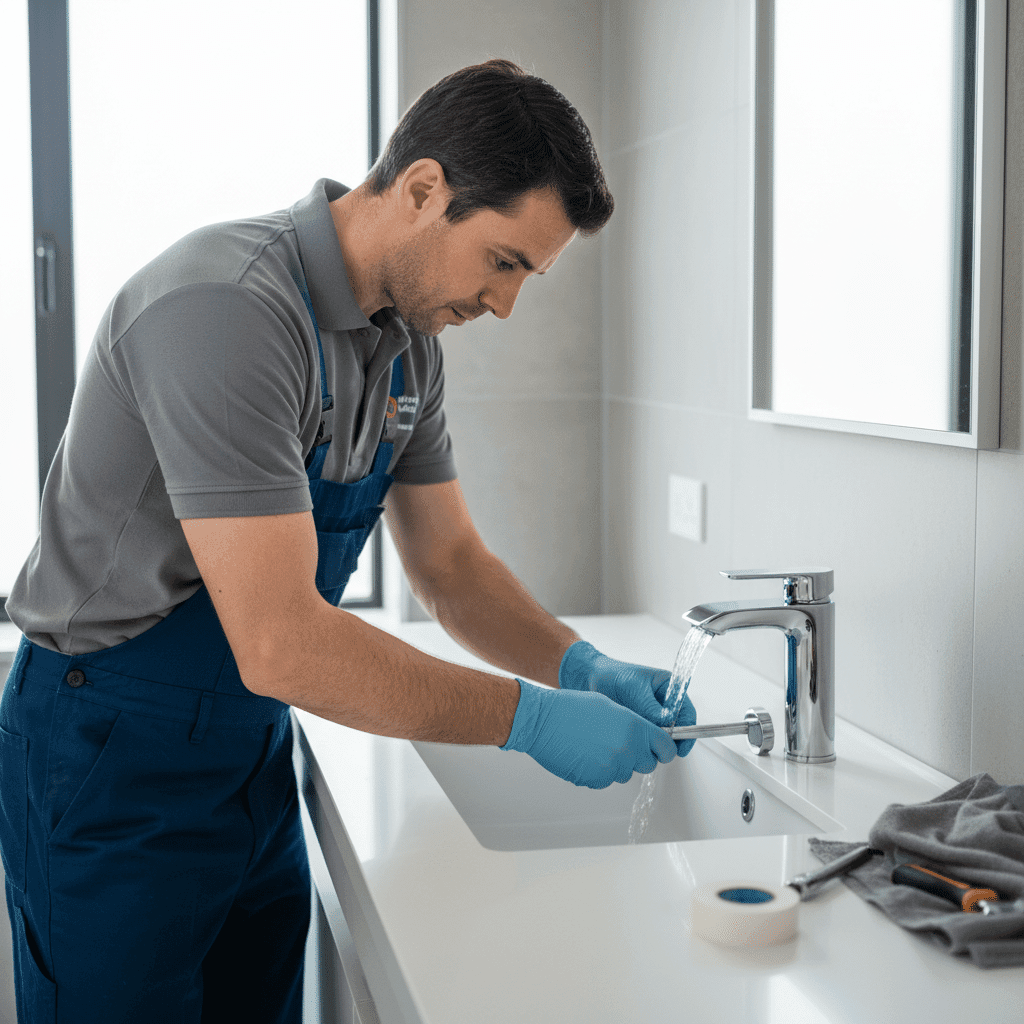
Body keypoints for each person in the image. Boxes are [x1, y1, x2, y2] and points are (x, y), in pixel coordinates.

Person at [0, 59, 696, 1023]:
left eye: (527, 277)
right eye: (503, 262)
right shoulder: (228, 311)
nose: (505, 306)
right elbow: (282, 640)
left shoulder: (412, 345)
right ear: (422, 189)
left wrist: (582, 667)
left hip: (250, 749)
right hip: (109, 752)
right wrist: (528, 722)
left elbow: (451, 570)